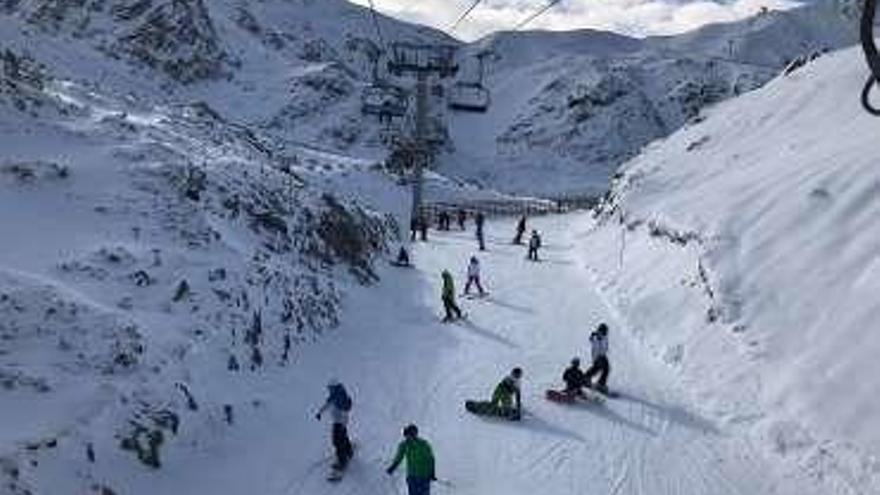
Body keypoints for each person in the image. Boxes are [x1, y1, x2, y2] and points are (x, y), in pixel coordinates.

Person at [315, 379, 354, 470]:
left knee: (337, 441)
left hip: (339, 422)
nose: (329, 390)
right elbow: (328, 404)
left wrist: (342, 423)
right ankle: (349, 451)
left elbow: (343, 409)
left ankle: (342, 461)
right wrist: (320, 413)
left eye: (330, 388)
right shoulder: (338, 394)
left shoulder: (338, 397)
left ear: (334, 387)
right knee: (343, 437)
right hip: (341, 422)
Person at [386, 424, 436, 495]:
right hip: (413, 476)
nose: (408, 437)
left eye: (410, 434)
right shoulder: (404, 445)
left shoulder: (423, 444)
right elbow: (399, 457)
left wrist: (432, 472)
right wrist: (393, 467)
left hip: (423, 476)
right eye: (407, 435)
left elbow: (430, 459)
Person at [583, 324, 610, 394]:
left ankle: (586, 378)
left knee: (598, 368)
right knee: (604, 368)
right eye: (603, 332)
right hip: (598, 357)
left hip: (601, 356)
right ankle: (600, 384)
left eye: (605, 332)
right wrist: (594, 336)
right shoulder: (596, 338)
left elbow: (605, 347)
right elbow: (594, 341)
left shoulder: (604, 337)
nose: (604, 333)